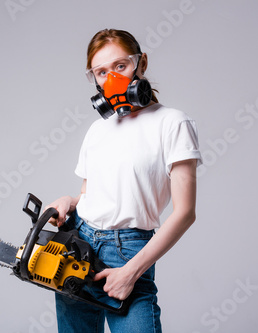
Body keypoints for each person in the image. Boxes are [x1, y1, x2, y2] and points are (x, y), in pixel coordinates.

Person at [45, 29, 203, 332]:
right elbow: (91, 193)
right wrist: (70, 201)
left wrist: (131, 272)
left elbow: (185, 213)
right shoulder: (98, 130)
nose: (111, 77)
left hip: (128, 253)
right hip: (77, 244)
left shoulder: (173, 123)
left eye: (120, 66)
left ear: (141, 64)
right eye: (101, 72)